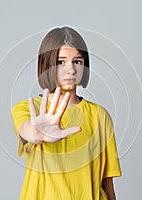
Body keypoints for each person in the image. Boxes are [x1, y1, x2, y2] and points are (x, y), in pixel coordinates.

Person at [11, 26, 122, 200]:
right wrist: (36, 133)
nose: (70, 70)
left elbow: (107, 183)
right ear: (47, 64)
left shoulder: (100, 116)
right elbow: (26, 129)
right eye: (61, 62)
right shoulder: (28, 109)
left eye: (77, 61)